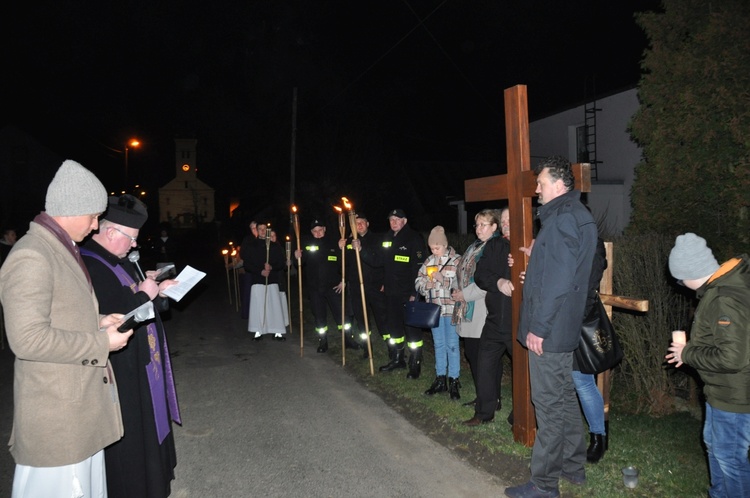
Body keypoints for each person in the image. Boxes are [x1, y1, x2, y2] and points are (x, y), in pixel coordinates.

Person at [0, 159, 132, 497]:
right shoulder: (32, 255)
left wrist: (98, 321)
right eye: (93, 216)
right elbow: (27, 339)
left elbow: (62, 313)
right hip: (57, 416)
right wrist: (100, 342)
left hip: (77, 409)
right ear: (72, 210)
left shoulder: (60, 248)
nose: (95, 225)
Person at [505, 155, 598, 498]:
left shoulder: (560, 220)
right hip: (564, 326)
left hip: (551, 329)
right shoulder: (577, 216)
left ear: (559, 185)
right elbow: (567, 272)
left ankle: (544, 483)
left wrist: (539, 328)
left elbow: (560, 281)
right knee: (563, 397)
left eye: (541, 184)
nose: (537, 189)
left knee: (548, 404)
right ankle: (573, 467)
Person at [81, 194, 181, 498]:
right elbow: (115, 316)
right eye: (132, 238)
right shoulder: (91, 266)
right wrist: (144, 295)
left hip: (141, 365)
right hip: (122, 373)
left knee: (148, 426)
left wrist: (155, 289)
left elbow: (135, 300)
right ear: (111, 233)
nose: (135, 245)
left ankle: (155, 481)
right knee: (132, 438)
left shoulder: (117, 261)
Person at [666, 233, 750, 498]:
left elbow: (732, 358)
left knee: (731, 461)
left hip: (734, 397)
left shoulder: (724, 298)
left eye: (678, 278)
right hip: (721, 391)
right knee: (715, 448)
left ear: (689, 272)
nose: (680, 284)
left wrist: (688, 353)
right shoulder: (720, 289)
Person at [466, 207, 515, 426]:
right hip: (495, 320)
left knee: (524, 371)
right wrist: (499, 282)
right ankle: (484, 412)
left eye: (509, 220)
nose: (505, 224)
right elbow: (481, 274)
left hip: (519, 322)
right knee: (484, 364)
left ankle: (521, 413)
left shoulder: (533, 245)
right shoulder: (495, 245)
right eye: (503, 221)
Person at [452, 209, 500, 410]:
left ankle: (492, 398)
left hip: (482, 309)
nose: (479, 229)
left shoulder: (494, 247)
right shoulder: (474, 246)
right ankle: (483, 395)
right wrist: (456, 288)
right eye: (477, 225)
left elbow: (487, 280)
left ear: (494, 227)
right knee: (472, 354)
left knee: (484, 357)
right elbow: (461, 270)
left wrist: (465, 294)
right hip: (466, 307)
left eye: (484, 225)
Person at [379, 208, 426, 378]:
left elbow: (420, 267)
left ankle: (415, 363)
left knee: (412, 329)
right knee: (394, 327)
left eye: (397, 219)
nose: (393, 222)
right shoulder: (387, 238)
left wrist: (415, 292)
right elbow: (384, 262)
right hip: (391, 292)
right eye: (391, 219)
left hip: (408, 293)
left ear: (404, 221)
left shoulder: (414, 238)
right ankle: (398, 359)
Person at [415, 226, 462, 399]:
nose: (434, 251)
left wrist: (444, 280)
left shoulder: (457, 260)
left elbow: (462, 284)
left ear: (444, 244)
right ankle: (440, 378)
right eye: (432, 248)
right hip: (434, 311)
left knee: (452, 345)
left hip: (450, 310)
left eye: (437, 248)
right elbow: (418, 280)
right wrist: (423, 286)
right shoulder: (429, 261)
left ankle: (454, 380)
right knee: (439, 344)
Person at [574, 237, 609, 463]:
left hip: (579, 318)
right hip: (562, 318)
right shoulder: (564, 236)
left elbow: (588, 285)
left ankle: (599, 437)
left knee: (582, 379)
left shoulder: (591, 241)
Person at [294, 218, 349, 352]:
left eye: (320, 230)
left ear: (324, 229)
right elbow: (299, 264)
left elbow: (345, 263)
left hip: (334, 286)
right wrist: (296, 257)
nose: (318, 233)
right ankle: (323, 341)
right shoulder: (307, 244)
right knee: (319, 316)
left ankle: (347, 339)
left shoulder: (334, 242)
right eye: (315, 231)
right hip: (315, 288)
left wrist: (344, 280)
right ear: (311, 232)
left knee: (342, 315)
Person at [339, 212, 387, 358]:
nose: (359, 225)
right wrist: (340, 249)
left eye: (362, 222)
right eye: (356, 223)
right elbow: (343, 264)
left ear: (367, 224)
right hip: (356, 286)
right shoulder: (348, 241)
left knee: (382, 317)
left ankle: (394, 350)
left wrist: (361, 249)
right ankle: (367, 347)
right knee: (361, 318)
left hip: (375, 286)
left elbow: (380, 261)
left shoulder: (378, 239)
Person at [247, 223, 288, 340]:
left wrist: (271, 267)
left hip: (272, 280)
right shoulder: (252, 246)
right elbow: (248, 264)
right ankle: (258, 331)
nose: (262, 231)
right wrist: (260, 271)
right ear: (257, 230)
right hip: (258, 280)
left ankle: (277, 332)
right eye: (259, 229)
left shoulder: (274, 246)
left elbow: (281, 263)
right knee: (258, 307)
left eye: (264, 229)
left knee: (274, 306)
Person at [238, 220, 259, 320]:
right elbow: (242, 253)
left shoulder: (263, 239)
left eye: (256, 228)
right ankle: (247, 314)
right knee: (248, 291)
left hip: (260, 270)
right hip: (250, 269)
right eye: (252, 228)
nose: (254, 230)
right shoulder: (247, 240)